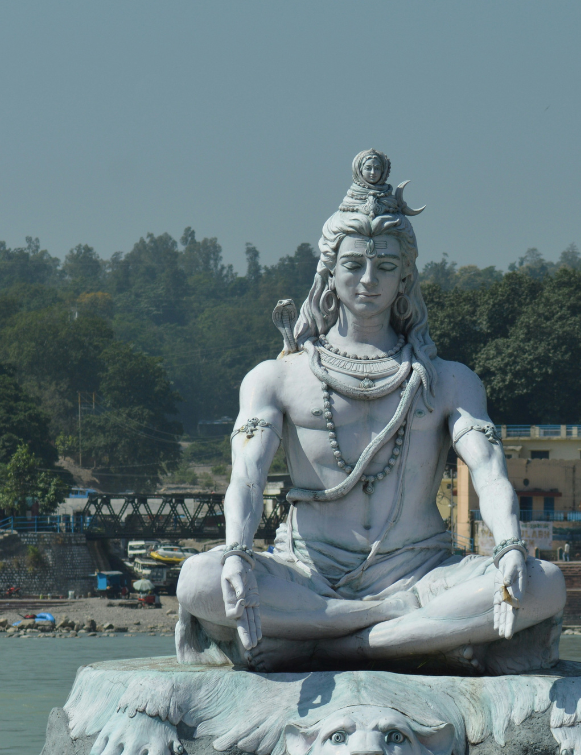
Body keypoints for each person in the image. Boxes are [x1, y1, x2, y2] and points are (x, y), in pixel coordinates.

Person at [177, 151, 565, 675]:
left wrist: (511, 545)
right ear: (329, 272)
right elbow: (245, 476)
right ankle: (405, 634)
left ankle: (342, 644)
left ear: (405, 276)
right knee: (198, 581)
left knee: (543, 583)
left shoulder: (448, 379)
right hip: (307, 575)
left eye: (385, 267)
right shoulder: (277, 376)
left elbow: (491, 473)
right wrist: (239, 552)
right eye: (353, 265)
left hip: (422, 573)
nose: (368, 280)